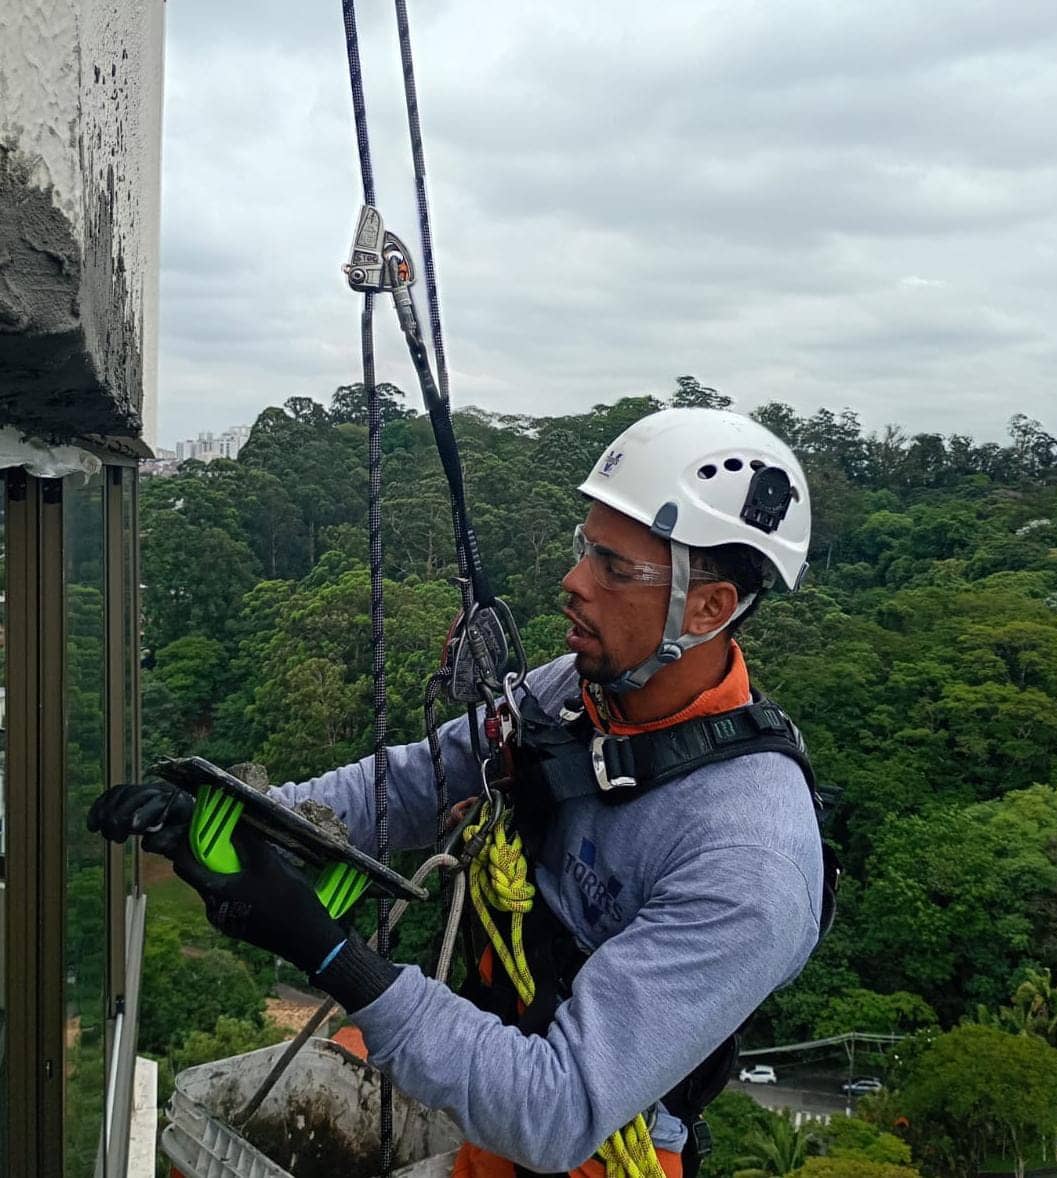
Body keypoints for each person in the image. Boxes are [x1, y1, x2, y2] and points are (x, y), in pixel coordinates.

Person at [90, 407, 825, 1178]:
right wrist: (239, 816)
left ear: (708, 607)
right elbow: (413, 782)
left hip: (594, 1146)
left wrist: (329, 951)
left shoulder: (748, 862)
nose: (573, 582)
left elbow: (557, 1109)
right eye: (584, 548)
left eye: (613, 567)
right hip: (485, 1051)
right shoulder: (574, 696)